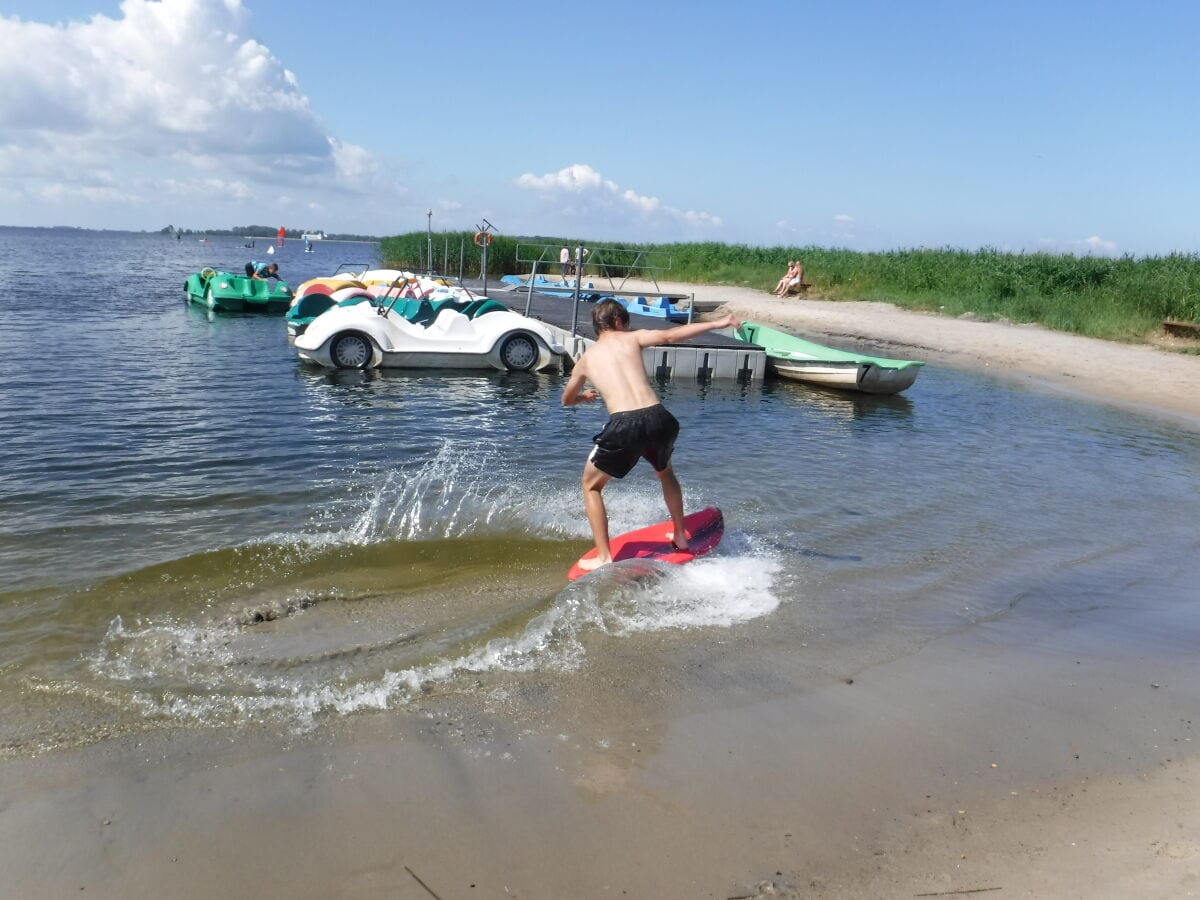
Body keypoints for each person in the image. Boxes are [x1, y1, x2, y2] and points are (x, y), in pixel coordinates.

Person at [561, 300, 741, 571]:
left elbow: (566, 399)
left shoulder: (586, 360)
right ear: (619, 322)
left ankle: (604, 556)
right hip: (660, 418)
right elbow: (672, 335)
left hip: (625, 425)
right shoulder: (634, 339)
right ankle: (680, 536)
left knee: (591, 486)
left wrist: (583, 398)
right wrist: (719, 323)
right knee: (665, 472)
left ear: (598, 326)